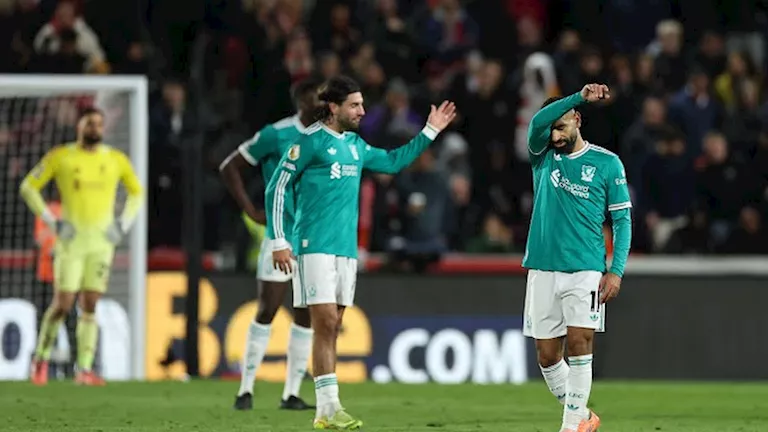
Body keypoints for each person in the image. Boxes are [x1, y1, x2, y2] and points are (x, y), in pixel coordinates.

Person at [266, 75, 456, 430]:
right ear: (333, 107)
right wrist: (279, 240)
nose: (362, 111)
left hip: (346, 250)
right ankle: (329, 408)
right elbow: (277, 188)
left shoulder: (356, 145)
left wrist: (430, 131)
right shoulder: (308, 142)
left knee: (334, 325)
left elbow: (393, 161)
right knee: (324, 322)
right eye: (354, 105)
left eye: (362, 104)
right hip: (313, 246)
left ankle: (326, 410)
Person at [522, 84, 632, 432]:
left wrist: (616, 270)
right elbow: (537, 123)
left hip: (586, 268)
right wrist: (578, 97)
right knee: (547, 357)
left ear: (578, 121)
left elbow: (622, 220)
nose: (555, 135)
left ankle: (570, 427)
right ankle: (584, 417)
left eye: (562, 126)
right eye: (551, 129)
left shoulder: (607, 163)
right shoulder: (542, 155)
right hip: (542, 267)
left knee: (580, 343)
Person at [219, 77, 323, 411]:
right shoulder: (275, 134)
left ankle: (291, 393)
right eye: (317, 97)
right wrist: (250, 209)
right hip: (280, 236)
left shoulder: (328, 136)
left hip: (314, 239)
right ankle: (245, 389)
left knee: (305, 315)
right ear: (302, 101)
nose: (323, 103)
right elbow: (229, 166)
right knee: (268, 309)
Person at [20, 108, 143, 386]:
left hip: (101, 245)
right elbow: (28, 187)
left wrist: (122, 225)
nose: (95, 128)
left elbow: (137, 193)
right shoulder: (61, 156)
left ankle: (84, 369)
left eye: (99, 123)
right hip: (71, 244)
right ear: (79, 126)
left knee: (90, 304)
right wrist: (52, 221)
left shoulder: (116, 160)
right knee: (63, 304)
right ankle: (40, 359)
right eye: (90, 123)